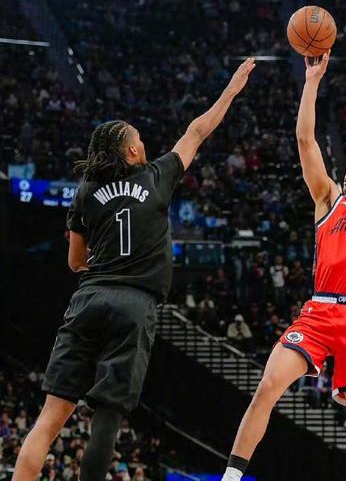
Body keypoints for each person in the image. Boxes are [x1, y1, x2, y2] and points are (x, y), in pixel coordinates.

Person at [11, 59, 255, 481]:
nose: (143, 142)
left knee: (50, 416)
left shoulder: (86, 192)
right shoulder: (156, 176)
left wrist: (105, 265)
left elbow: (74, 262)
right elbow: (197, 131)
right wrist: (231, 90)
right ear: (131, 151)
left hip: (89, 297)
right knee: (106, 417)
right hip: (134, 305)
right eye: (139, 139)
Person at [223, 42, 346, 481]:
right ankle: (230, 477)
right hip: (320, 310)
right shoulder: (328, 200)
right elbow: (305, 140)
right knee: (268, 385)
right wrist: (311, 83)